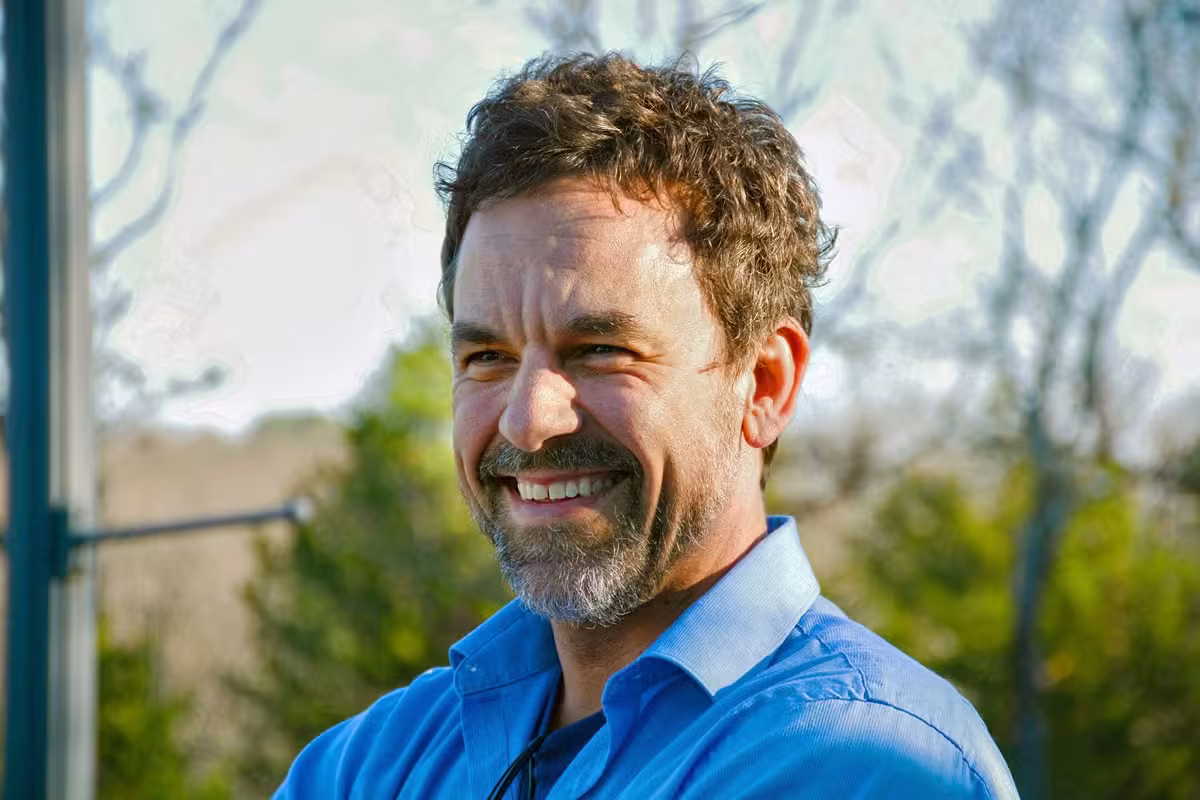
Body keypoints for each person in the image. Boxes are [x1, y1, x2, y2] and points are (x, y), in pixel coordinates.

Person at [275, 52, 1019, 799]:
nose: (529, 420)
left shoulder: (864, 765)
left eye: (600, 350)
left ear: (764, 383)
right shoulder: (367, 763)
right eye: (489, 357)